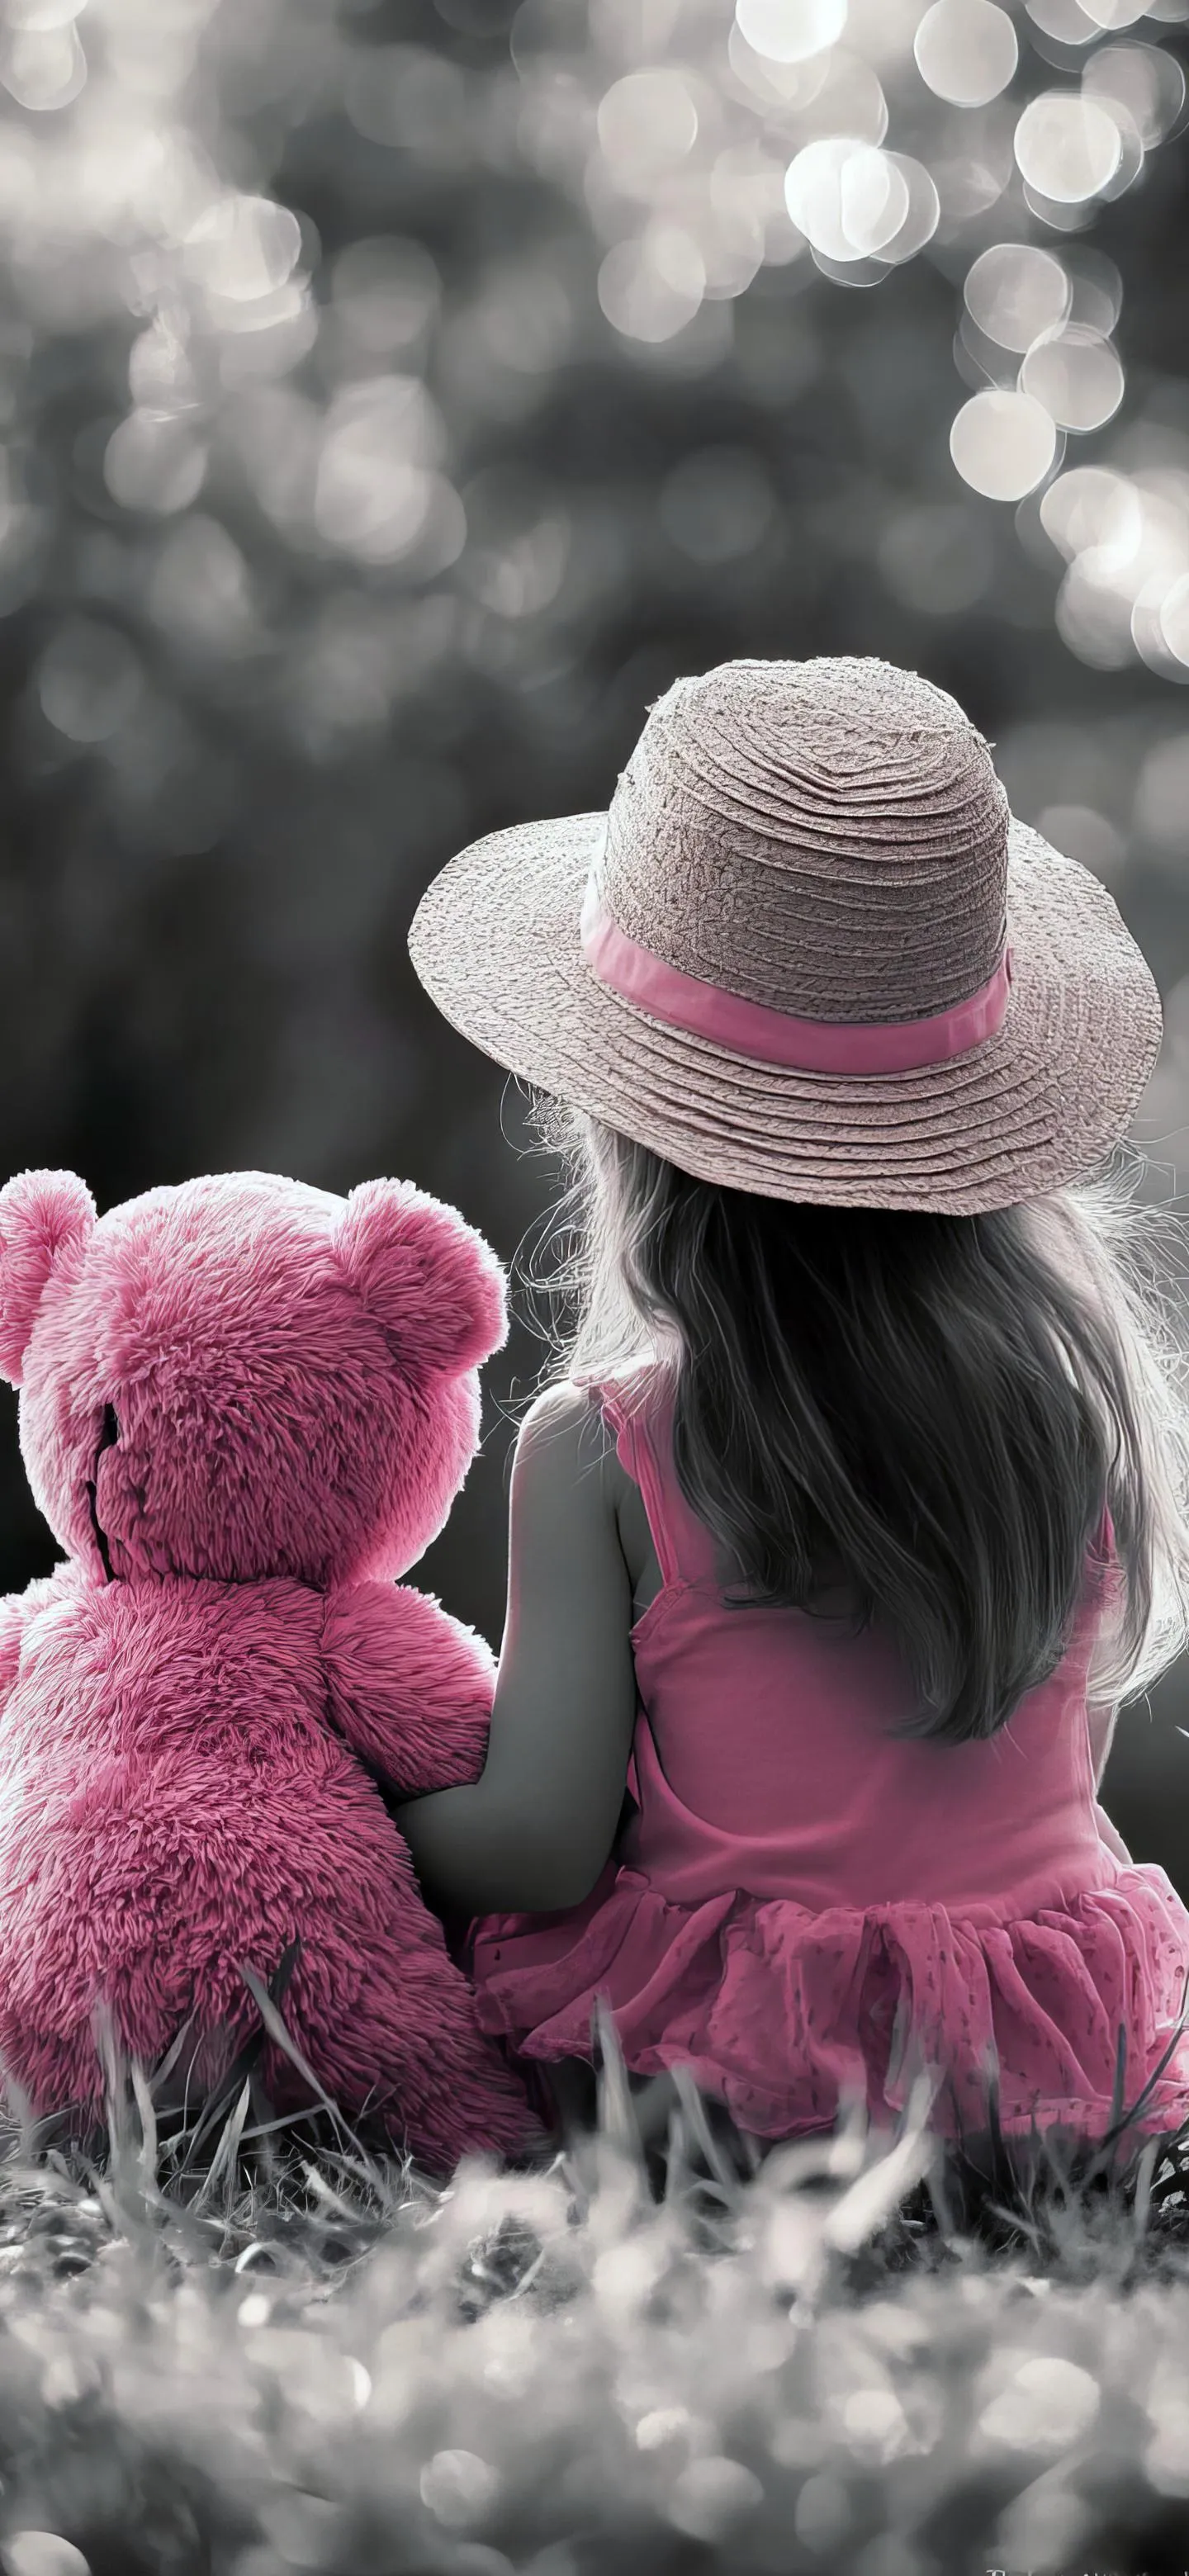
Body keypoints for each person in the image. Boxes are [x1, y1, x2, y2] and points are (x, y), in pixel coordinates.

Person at [396, 654, 1189, 2222]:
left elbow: (545, 1843)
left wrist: (344, 1802)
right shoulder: (1072, 1423)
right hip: (1043, 2092)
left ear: (623, 1126)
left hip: (735, 2105)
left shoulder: (605, 1449)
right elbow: (1040, 1801)